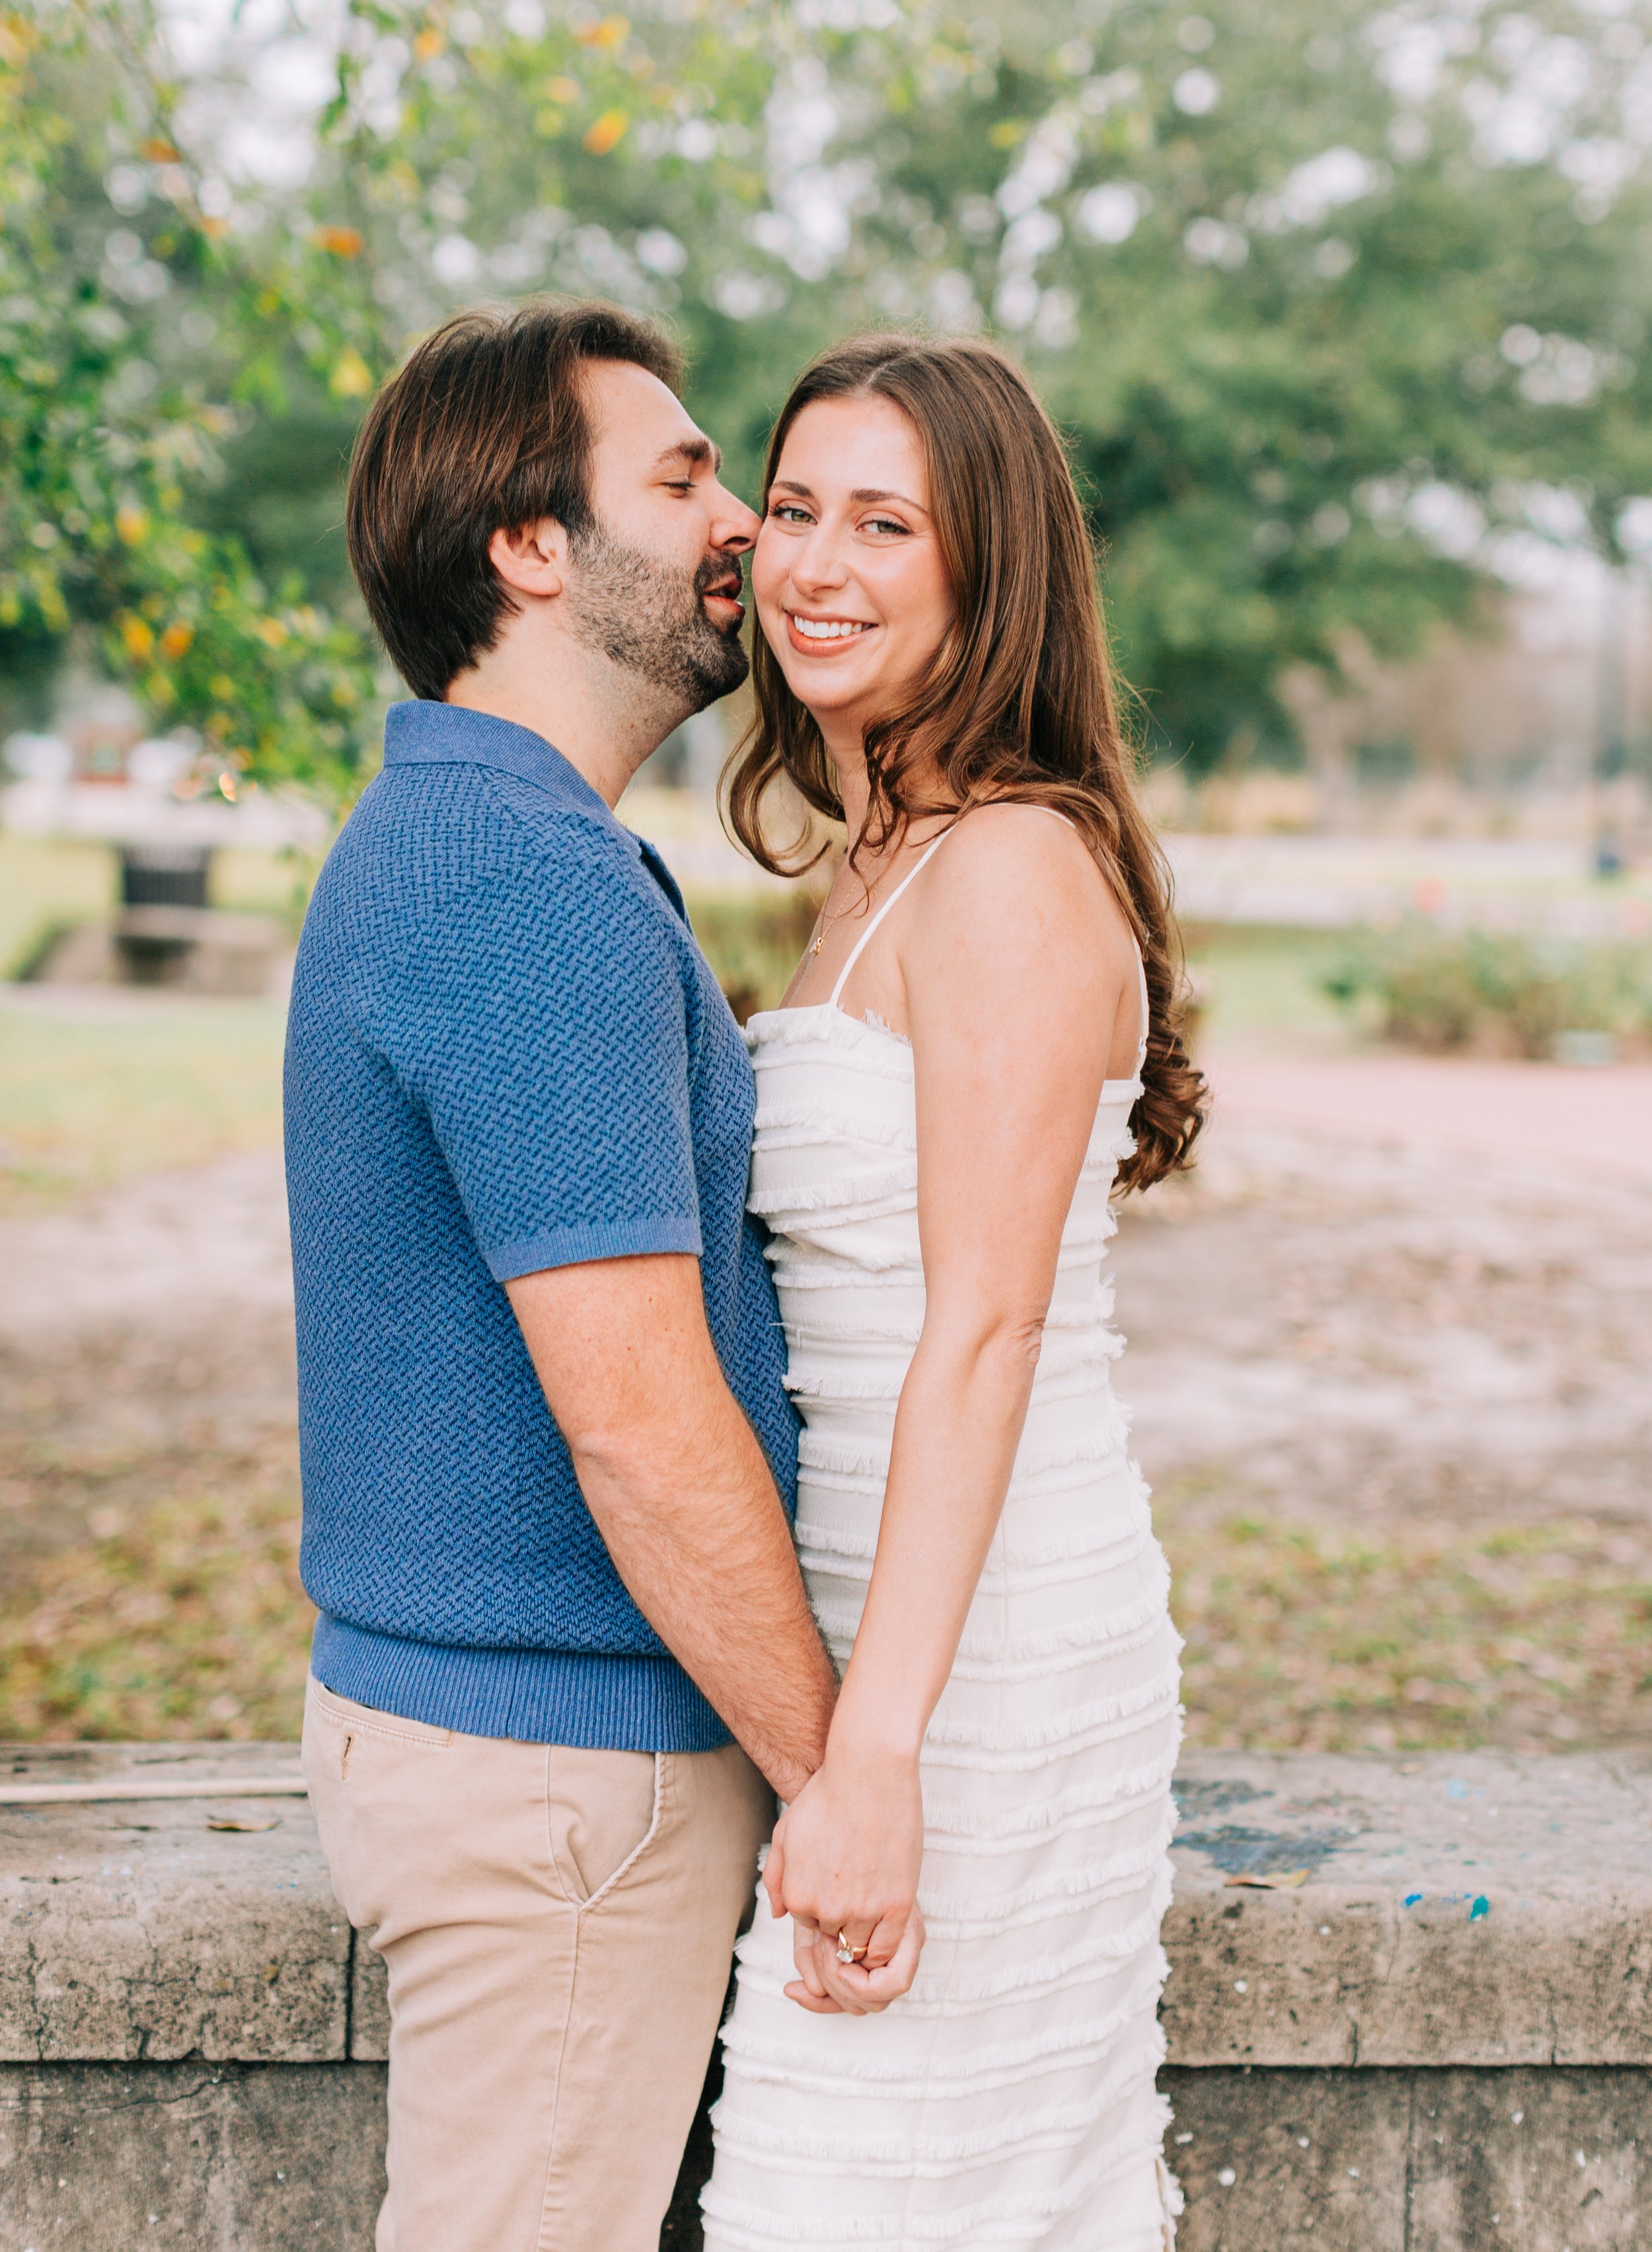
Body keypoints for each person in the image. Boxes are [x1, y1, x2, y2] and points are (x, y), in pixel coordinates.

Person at [285, 299, 840, 2252]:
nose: (743, 524)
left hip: (526, 1766)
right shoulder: (515, 881)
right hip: (559, 1799)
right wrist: (828, 1778)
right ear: (529, 543)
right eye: (682, 476)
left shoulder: (490, 838)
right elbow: (637, 1419)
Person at [701, 335, 1207, 2251]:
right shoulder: (877, 862)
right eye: (798, 508)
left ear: (985, 567)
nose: (817, 566)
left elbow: (981, 1329)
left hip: (982, 1647)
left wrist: (879, 1755)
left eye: (885, 523)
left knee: (869, 2197)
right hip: (875, 1609)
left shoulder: (1001, 866)